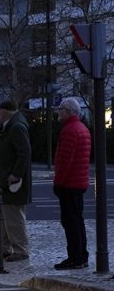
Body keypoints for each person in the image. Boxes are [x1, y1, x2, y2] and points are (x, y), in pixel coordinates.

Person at [0, 99, 32, 262]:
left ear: (6, 111)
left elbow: (24, 153)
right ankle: (4, 248)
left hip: (12, 182)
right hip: (5, 180)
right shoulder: (11, 125)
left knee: (13, 217)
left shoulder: (16, 127)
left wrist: (16, 174)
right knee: (4, 216)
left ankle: (20, 249)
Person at [52, 97, 91, 270]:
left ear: (67, 111)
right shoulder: (82, 128)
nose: (58, 112)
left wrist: (58, 183)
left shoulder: (69, 130)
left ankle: (75, 258)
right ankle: (81, 256)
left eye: (60, 109)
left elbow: (64, 161)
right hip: (79, 182)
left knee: (70, 222)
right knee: (77, 221)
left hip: (69, 183)